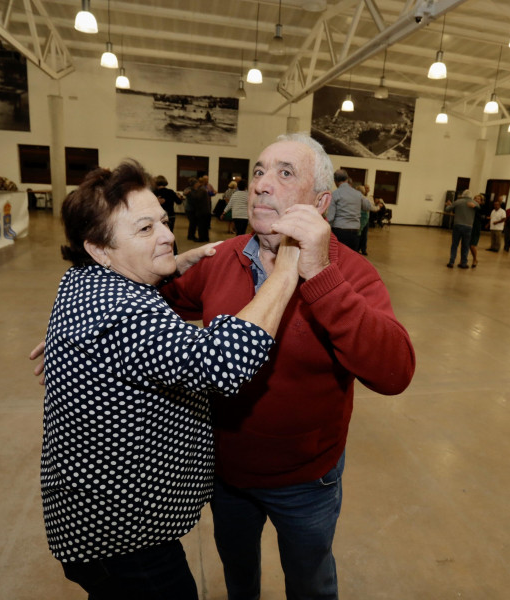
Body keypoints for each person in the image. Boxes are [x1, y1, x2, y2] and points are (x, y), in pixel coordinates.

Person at [160, 134, 415, 599]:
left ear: (321, 202)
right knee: (239, 576)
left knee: (310, 583)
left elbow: (394, 371)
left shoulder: (351, 272)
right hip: (228, 472)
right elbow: (158, 303)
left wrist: (321, 276)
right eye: (259, 171)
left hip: (307, 479)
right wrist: (97, 325)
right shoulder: (224, 258)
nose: (260, 184)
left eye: (284, 173)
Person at [40, 160, 302, 599]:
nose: (166, 234)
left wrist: (169, 262)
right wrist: (286, 270)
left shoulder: (84, 280)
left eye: (163, 220)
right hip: (124, 539)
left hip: (94, 522)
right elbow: (224, 362)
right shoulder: (122, 311)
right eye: (145, 230)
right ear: (99, 250)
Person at [326, 169, 375, 251]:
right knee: (351, 259)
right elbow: (368, 206)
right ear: (347, 179)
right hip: (355, 233)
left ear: (335, 181)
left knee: (340, 257)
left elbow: (330, 217)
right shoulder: (358, 194)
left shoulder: (335, 194)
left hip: (339, 232)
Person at [446, 189, 479, 269]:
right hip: (468, 226)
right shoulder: (475, 203)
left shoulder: (458, 201)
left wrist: (448, 205)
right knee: (465, 246)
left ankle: (451, 262)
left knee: (455, 244)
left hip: (457, 225)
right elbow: (479, 212)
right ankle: (463, 263)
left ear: (463, 195)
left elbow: (448, 210)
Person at [468, 194, 486, 267]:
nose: (476, 200)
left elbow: (482, 217)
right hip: (469, 227)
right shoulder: (470, 207)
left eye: (478, 199)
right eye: (475, 198)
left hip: (476, 228)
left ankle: (475, 259)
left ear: (481, 201)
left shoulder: (481, 208)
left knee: (472, 246)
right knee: (467, 245)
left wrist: (475, 207)